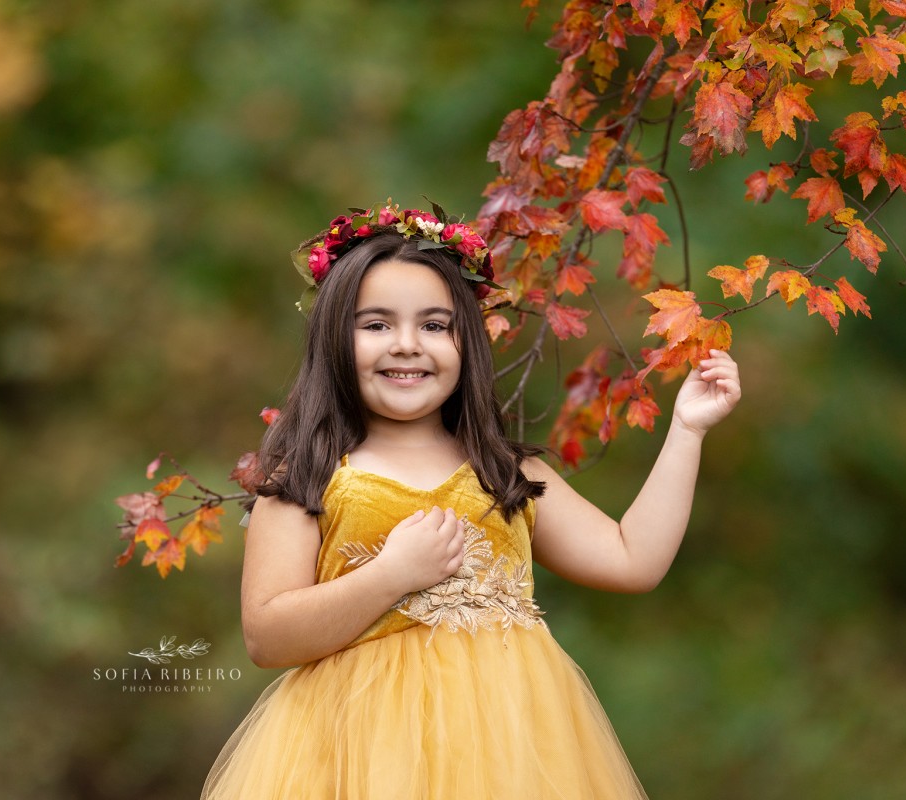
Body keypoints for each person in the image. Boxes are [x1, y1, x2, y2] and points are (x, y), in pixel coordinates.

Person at [201, 202, 742, 799]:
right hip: (361, 751)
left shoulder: (501, 471)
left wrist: (687, 430)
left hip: (512, 750)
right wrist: (391, 575)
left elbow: (633, 559)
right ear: (334, 336)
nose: (407, 345)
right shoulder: (307, 473)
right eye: (376, 324)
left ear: (467, 341)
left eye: (434, 325)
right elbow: (267, 637)